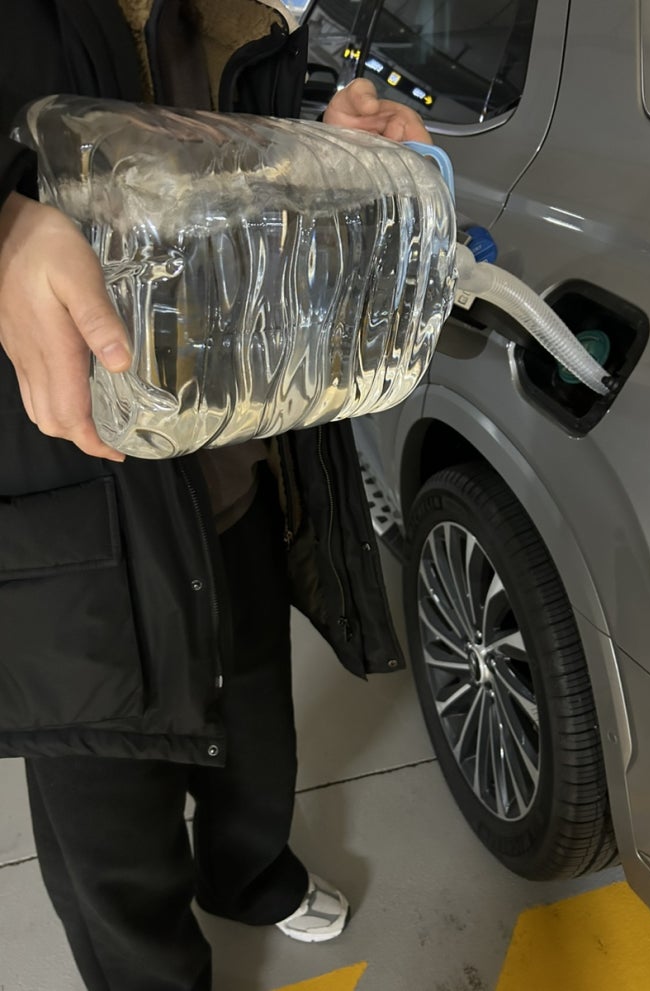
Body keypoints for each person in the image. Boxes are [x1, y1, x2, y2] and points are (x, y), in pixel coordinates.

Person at [0, 2, 432, 989]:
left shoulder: (241, 15)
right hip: (70, 500)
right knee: (109, 804)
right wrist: (6, 227)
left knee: (257, 729)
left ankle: (247, 874)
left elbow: (229, 192)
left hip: (234, 459)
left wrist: (322, 152)